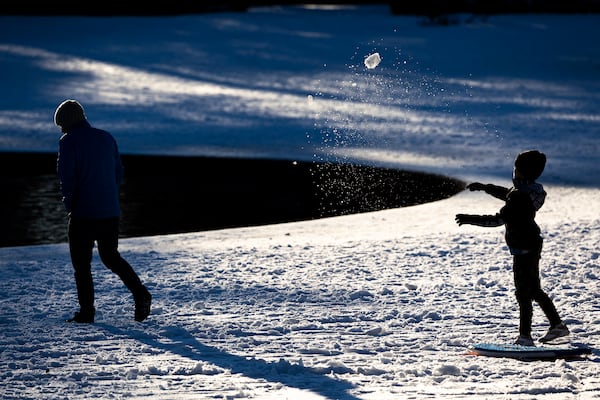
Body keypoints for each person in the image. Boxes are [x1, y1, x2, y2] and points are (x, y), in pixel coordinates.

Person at [455, 150, 569, 346]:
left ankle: (525, 337)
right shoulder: (529, 191)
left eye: (516, 169)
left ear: (521, 173)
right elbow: (508, 194)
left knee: (524, 293)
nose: (514, 171)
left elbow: (497, 220)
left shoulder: (518, 198)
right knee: (534, 290)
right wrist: (485, 187)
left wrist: (469, 219)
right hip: (531, 246)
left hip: (523, 249)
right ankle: (557, 325)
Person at [55, 99, 151, 323]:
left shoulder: (68, 142)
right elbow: (118, 172)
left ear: (66, 123)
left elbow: (67, 178)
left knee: (81, 265)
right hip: (109, 212)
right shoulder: (106, 137)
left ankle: (87, 312)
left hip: (83, 213)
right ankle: (140, 293)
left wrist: (70, 204)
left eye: (61, 125)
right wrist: (108, 196)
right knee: (111, 257)